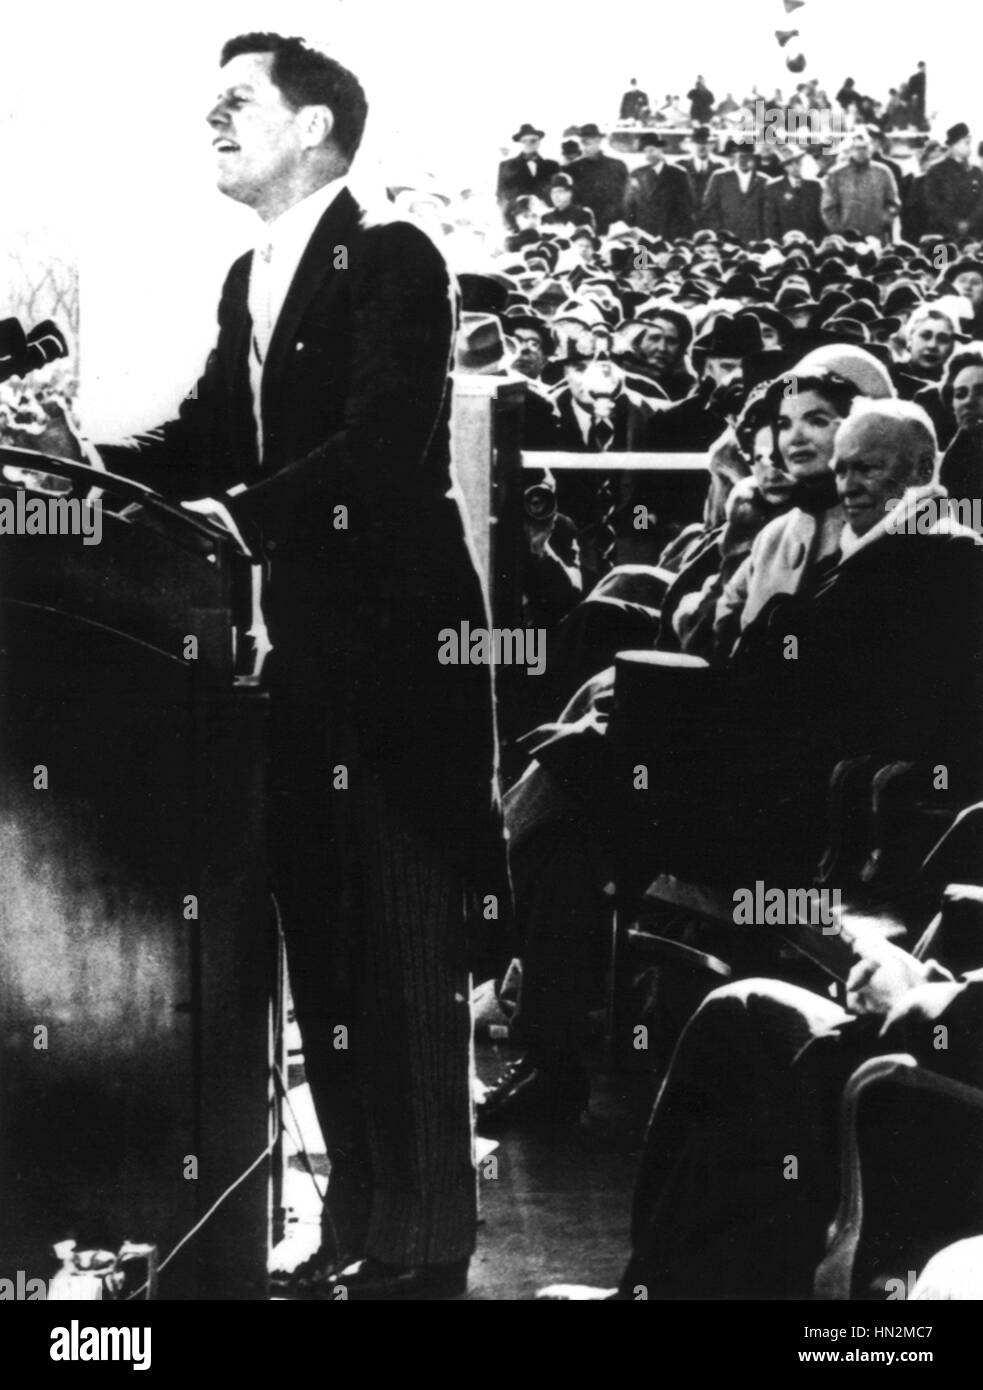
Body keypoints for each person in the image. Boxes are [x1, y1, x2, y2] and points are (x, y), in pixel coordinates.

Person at [88, 32, 506, 1301]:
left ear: (316, 127)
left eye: (238, 101)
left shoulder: (392, 255)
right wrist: (84, 451)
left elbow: (380, 453)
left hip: (391, 671)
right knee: (328, 961)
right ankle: (357, 1231)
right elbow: (215, 432)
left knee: (401, 951)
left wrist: (234, 519)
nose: (211, 118)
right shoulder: (249, 273)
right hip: (305, 676)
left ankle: (426, 1247)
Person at [821, 129, 899, 241]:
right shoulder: (836, 174)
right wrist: (840, 231)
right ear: (850, 150)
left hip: (876, 236)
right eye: (858, 148)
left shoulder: (883, 172)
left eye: (865, 148)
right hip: (846, 237)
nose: (862, 151)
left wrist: (883, 220)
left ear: (871, 149)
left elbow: (893, 203)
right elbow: (828, 208)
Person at [624, 134, 694, 240]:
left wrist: (682, 235)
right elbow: (630, 206)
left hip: (670, 234)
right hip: (644, 234)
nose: (647, 155)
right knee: (643, 257)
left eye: (651, 150)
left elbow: (686, 208)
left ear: (660, 149)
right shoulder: (637, 173)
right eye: (645, 151)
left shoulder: (678, 174)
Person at [921, 123, 983, 238]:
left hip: (973, 236)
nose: (969, 148)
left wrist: (969, 223)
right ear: (954, 145)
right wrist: (954, 223)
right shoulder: (936, 171)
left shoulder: (976, 172)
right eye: (966, 143)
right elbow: (932, 203)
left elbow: (981, 202)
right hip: (942, 234)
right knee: (941, 256)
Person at [701, 140, 769, 244]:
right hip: (726, 238)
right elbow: (709, 208)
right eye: (740, 156)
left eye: (748, 157)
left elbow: (768, 213)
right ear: (735, 157)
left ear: (754, 158)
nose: (744, 160)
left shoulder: (764, 180)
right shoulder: (720, 177)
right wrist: (719, 232)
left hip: (754, 238)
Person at [567, 123, 629, 234]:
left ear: (598, 141)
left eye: (587, 143)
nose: (583, 147)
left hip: (612, 224)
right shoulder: (572, 169)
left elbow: (625, 197)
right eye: (581, 143)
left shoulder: (617, 166)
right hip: (584, 225)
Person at [762, 145, 824, 242]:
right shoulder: (774, 188)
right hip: (786, 243)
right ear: (784, 167)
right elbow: (771, 223)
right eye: (790, 164)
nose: (795, 167)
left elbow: (821, 219)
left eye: (797, 162)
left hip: (812, 243)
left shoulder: (815, 186)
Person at [496, 122, 560, 214]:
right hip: (518, 216)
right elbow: (501, 196)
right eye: (524, 141)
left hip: (547, 216)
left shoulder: (552, 166)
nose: (528, 144)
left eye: (533, 141)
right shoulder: (507, 166)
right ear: (519, 143)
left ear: (539, 143)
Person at [678, 126, 725, 222]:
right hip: (686, 220)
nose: (701, 147)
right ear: (691, 145)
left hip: (712, 221)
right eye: (697, 143)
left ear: (712, 145)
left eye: (705, 143)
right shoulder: (680, 166)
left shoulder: (720, 167)